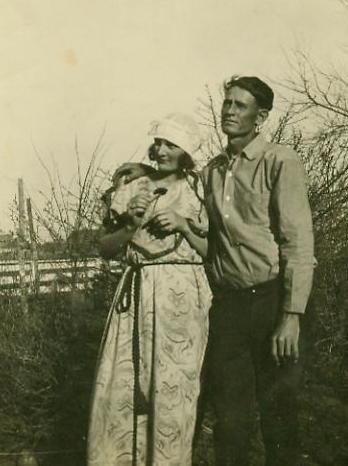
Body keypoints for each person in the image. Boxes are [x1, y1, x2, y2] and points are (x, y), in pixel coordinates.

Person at [113, 75, 315, 466]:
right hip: (228, 305)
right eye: (227, 102)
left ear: (262, 116)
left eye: (240, 105)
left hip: (274, 300)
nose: (229, 110)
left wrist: (291, 316)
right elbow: (174, 175)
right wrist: (139, 168)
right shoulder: (213, 170)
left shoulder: (279, 161)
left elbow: (298, 243)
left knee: (278, 415)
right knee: (230, 420)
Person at [87, 113, 212, 466]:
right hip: (135, 293)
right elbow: (106, 248)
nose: (161, 150)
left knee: (174, 389)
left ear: (185, 151)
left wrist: (186, 226)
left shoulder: (201, 190)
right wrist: (130, 223)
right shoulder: (130, 189)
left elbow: (213, 253)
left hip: (182, 297)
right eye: (158, 142)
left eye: (170, 144)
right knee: (123, 388)